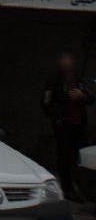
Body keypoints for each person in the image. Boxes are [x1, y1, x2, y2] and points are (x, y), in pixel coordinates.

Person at [41, 52, 93, 201]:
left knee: (80, 157)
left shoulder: (77, 79)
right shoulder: (54, 80)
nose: (68, 64)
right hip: (64, 125)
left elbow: (90, 98)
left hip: (79, 125)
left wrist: (82, 96)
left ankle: (81, 189)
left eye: (70, 61)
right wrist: (58, 118)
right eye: (65, 61)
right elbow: (46, 102)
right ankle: (67, 189)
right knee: (64, 157)